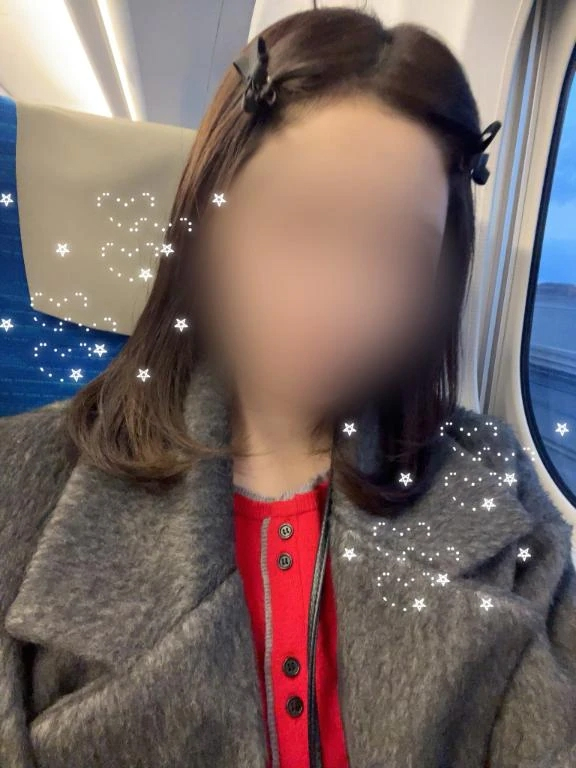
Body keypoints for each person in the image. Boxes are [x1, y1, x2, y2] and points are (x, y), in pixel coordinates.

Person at [1, 6, 575, 768]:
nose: (343, 297)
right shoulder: (24, 482)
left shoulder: (495, 492)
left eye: (397, 249)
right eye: (300, 223)